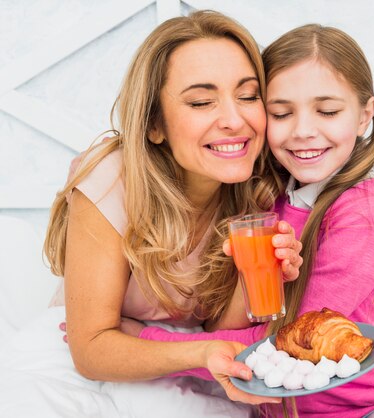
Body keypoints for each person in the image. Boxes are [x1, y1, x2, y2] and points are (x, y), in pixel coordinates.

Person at [0, 10, 305, 417]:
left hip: (187, 365)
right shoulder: (112, 179)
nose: (235, 120)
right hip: (84, 364)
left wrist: (263, 276)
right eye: (201, 101)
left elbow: (218, 328)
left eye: (248, 96)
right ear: (154, 125)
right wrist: (201, 351)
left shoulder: (255, 186)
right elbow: (90, 350)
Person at [134, 24, 374, 418]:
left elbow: (284, 339)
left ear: (364, 116)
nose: (303, 131)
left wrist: (145, 342)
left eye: (327, 111)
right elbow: (233, 321)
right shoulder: (268, 197)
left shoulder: (364, 209)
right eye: (281, 113)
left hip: (370, 409)